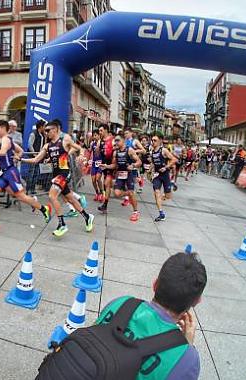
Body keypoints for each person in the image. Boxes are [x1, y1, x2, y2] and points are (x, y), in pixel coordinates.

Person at [93, 251, 206, 379]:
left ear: (155, 284)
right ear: (197, 301)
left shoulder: (120, 303)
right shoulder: (187, 360)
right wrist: (186, 347)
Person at [22, 119, 94, 237]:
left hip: (63, 173)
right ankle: (87, 217)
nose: (46, 133)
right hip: (55, 174)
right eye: (45, 131)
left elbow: (80, 148)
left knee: (52, 195)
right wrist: (21, 159)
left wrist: (81, 156)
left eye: (48, 130)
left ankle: (62, 224)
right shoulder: (47, 145)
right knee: (70, 199)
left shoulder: (64, 140)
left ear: (55, 130)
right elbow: (35, 160)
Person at [0, 120, 52, 231]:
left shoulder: (6, 139)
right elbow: (20, 150)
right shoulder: (3, 140)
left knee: (21, 196)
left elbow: (3, 152)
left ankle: (43, 209)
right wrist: (17, 156)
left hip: (11, 173)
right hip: (3, 173)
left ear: (4, 128)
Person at [101, 133, 142, 221]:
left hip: (129, 174)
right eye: (115, 140)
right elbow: (114, 165)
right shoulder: (116, 152)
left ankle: (135, 212)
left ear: (123, 141)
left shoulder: (129, 150)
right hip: (120, 174)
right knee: (116, 193)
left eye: (118, 140)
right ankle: (129, 193)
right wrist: (106, 166)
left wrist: (133, 165)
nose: (116, 142)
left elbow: (139, 162)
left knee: (131, 193)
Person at [149, 133, 177, 222]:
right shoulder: (151, 151)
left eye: (155, 140)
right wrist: (150, 170)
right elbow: (153, 163)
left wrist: (166, 167)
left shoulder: (163, 150)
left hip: (165, 175)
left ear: (160, 141)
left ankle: (171, 184)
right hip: (157, 175)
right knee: (157, 193)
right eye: (152, 140)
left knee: (168, 196)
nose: (153, 142)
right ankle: (161, 214)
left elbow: (174, 159)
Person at [26, 120, 47, 194]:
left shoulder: (43, 135)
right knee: (32, 172)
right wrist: (34, 154)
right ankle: (28, 189)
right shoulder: (33, 134)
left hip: (39, 156)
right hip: (34, 156)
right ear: (40, 126)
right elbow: (30, 145)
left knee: (36, 173)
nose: (45, 127)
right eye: (44, 126)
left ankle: (32, 189)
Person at [89, 130, 104, 202]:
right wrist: (87, 160)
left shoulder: (102, 143)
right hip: (94, 164)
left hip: (101, 164)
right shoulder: (92, 144)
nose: (94, 137)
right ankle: (97, 193)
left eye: (96, 135)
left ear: (99, 135)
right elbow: (90, 152)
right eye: (93, 135)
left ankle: (101, 193)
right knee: (93, 180)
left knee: (98, 179)